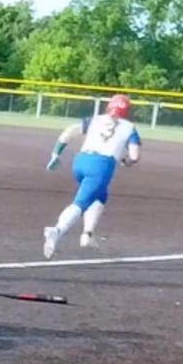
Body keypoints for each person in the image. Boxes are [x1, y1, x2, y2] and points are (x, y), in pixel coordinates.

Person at [43, 94, 141, 258]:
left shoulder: (95, 120)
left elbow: (69, 132)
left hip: (80, 161)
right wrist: (127, 161)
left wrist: (56, 154)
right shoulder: (129, 128)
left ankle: (87, 235)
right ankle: (57, 231)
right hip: (101, 166)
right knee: (81, 203)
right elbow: (134, 155)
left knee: (99, 196)